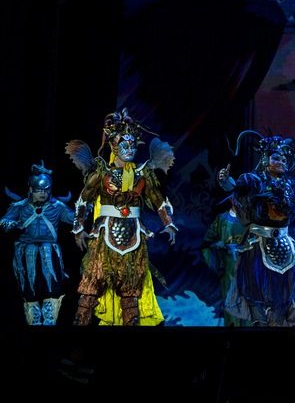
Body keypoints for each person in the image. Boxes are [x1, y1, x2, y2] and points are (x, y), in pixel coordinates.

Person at [66, 109, 177, 325]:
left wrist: (169, 223)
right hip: (104, 234)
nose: (129, 150)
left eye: (133, 146)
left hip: (133, 235)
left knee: (130, 288)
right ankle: (79, 330)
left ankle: (129, 334)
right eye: (124, 145)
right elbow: (83, 200)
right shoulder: (101, 172)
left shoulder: (142, 173)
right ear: (113, 146)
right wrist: (78, 228)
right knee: (93, 283)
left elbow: (158, 200)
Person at [216, 131, 295, 326]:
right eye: (276, 158)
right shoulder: (253, 181)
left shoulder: (293, 186)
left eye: (283, 159)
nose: (281, 162)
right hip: (257, 244)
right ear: (266, 160)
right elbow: (235, 187)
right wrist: (225, 181)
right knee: (257, 290)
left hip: (286, 243)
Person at [2, 162, 75, 325]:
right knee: (29, 288)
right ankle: (34, 323)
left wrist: (85, 209)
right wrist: (12, 224)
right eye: (39, 189)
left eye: (46, 189)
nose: (43, 193)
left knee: (52, 288)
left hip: (50, 251)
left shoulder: (57, 206)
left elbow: (75, 220)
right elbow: (4, 221)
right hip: (26, 251)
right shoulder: (21, 206)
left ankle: (49, 322)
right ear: (31, 188)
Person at [200, 203, 247, 326]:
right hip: (229, 266)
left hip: (248, 265)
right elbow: (207, 244)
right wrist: (217, 246)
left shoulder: (250, 219)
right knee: (231, 301)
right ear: (231, 198)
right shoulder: (221, 220)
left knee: (249, 302)